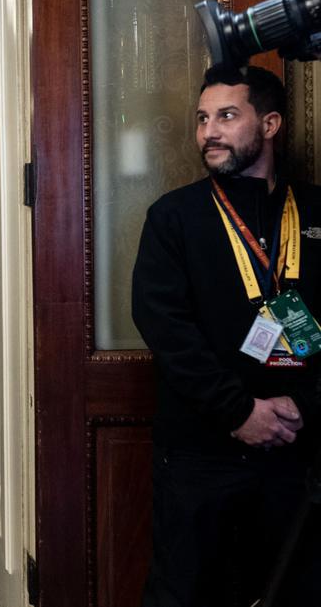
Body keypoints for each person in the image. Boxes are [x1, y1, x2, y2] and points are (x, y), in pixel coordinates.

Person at [132, 64, 321, 606]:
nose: (209, 131)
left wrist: (306, 407)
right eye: (202, 118)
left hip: (297, 452)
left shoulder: (315, 210)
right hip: (200, 455)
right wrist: (239, 413)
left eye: (227, 115)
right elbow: (168, 332)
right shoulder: (174, 217)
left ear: (270, 124)